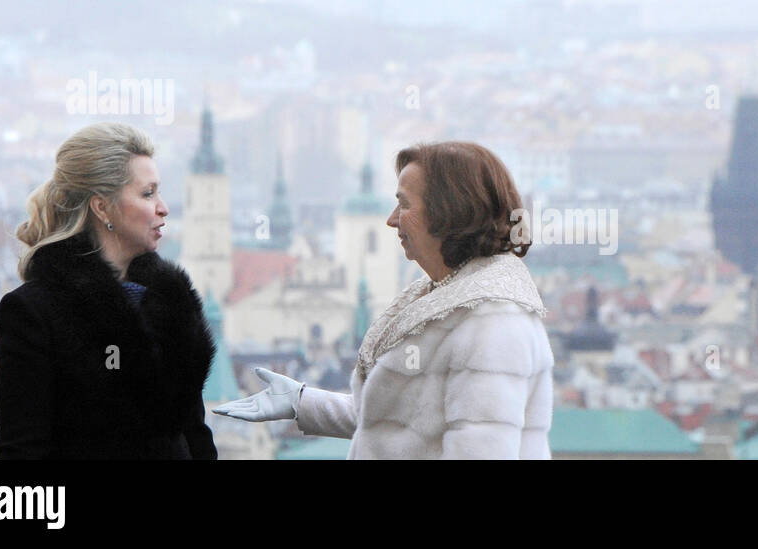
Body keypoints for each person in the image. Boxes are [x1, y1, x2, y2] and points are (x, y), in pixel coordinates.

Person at [214, 142, 554, 459]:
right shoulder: (450, 300)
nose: (391, 219)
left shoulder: (491, 322)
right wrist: (302, 402)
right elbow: (404, 421)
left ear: (448, 213)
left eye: (404, 204)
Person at [0, 122, 217, 459]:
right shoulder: (33, 312)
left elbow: (197, 442)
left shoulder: (171, 305)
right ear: (102, 208)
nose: (163, 207)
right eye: (148, 193)